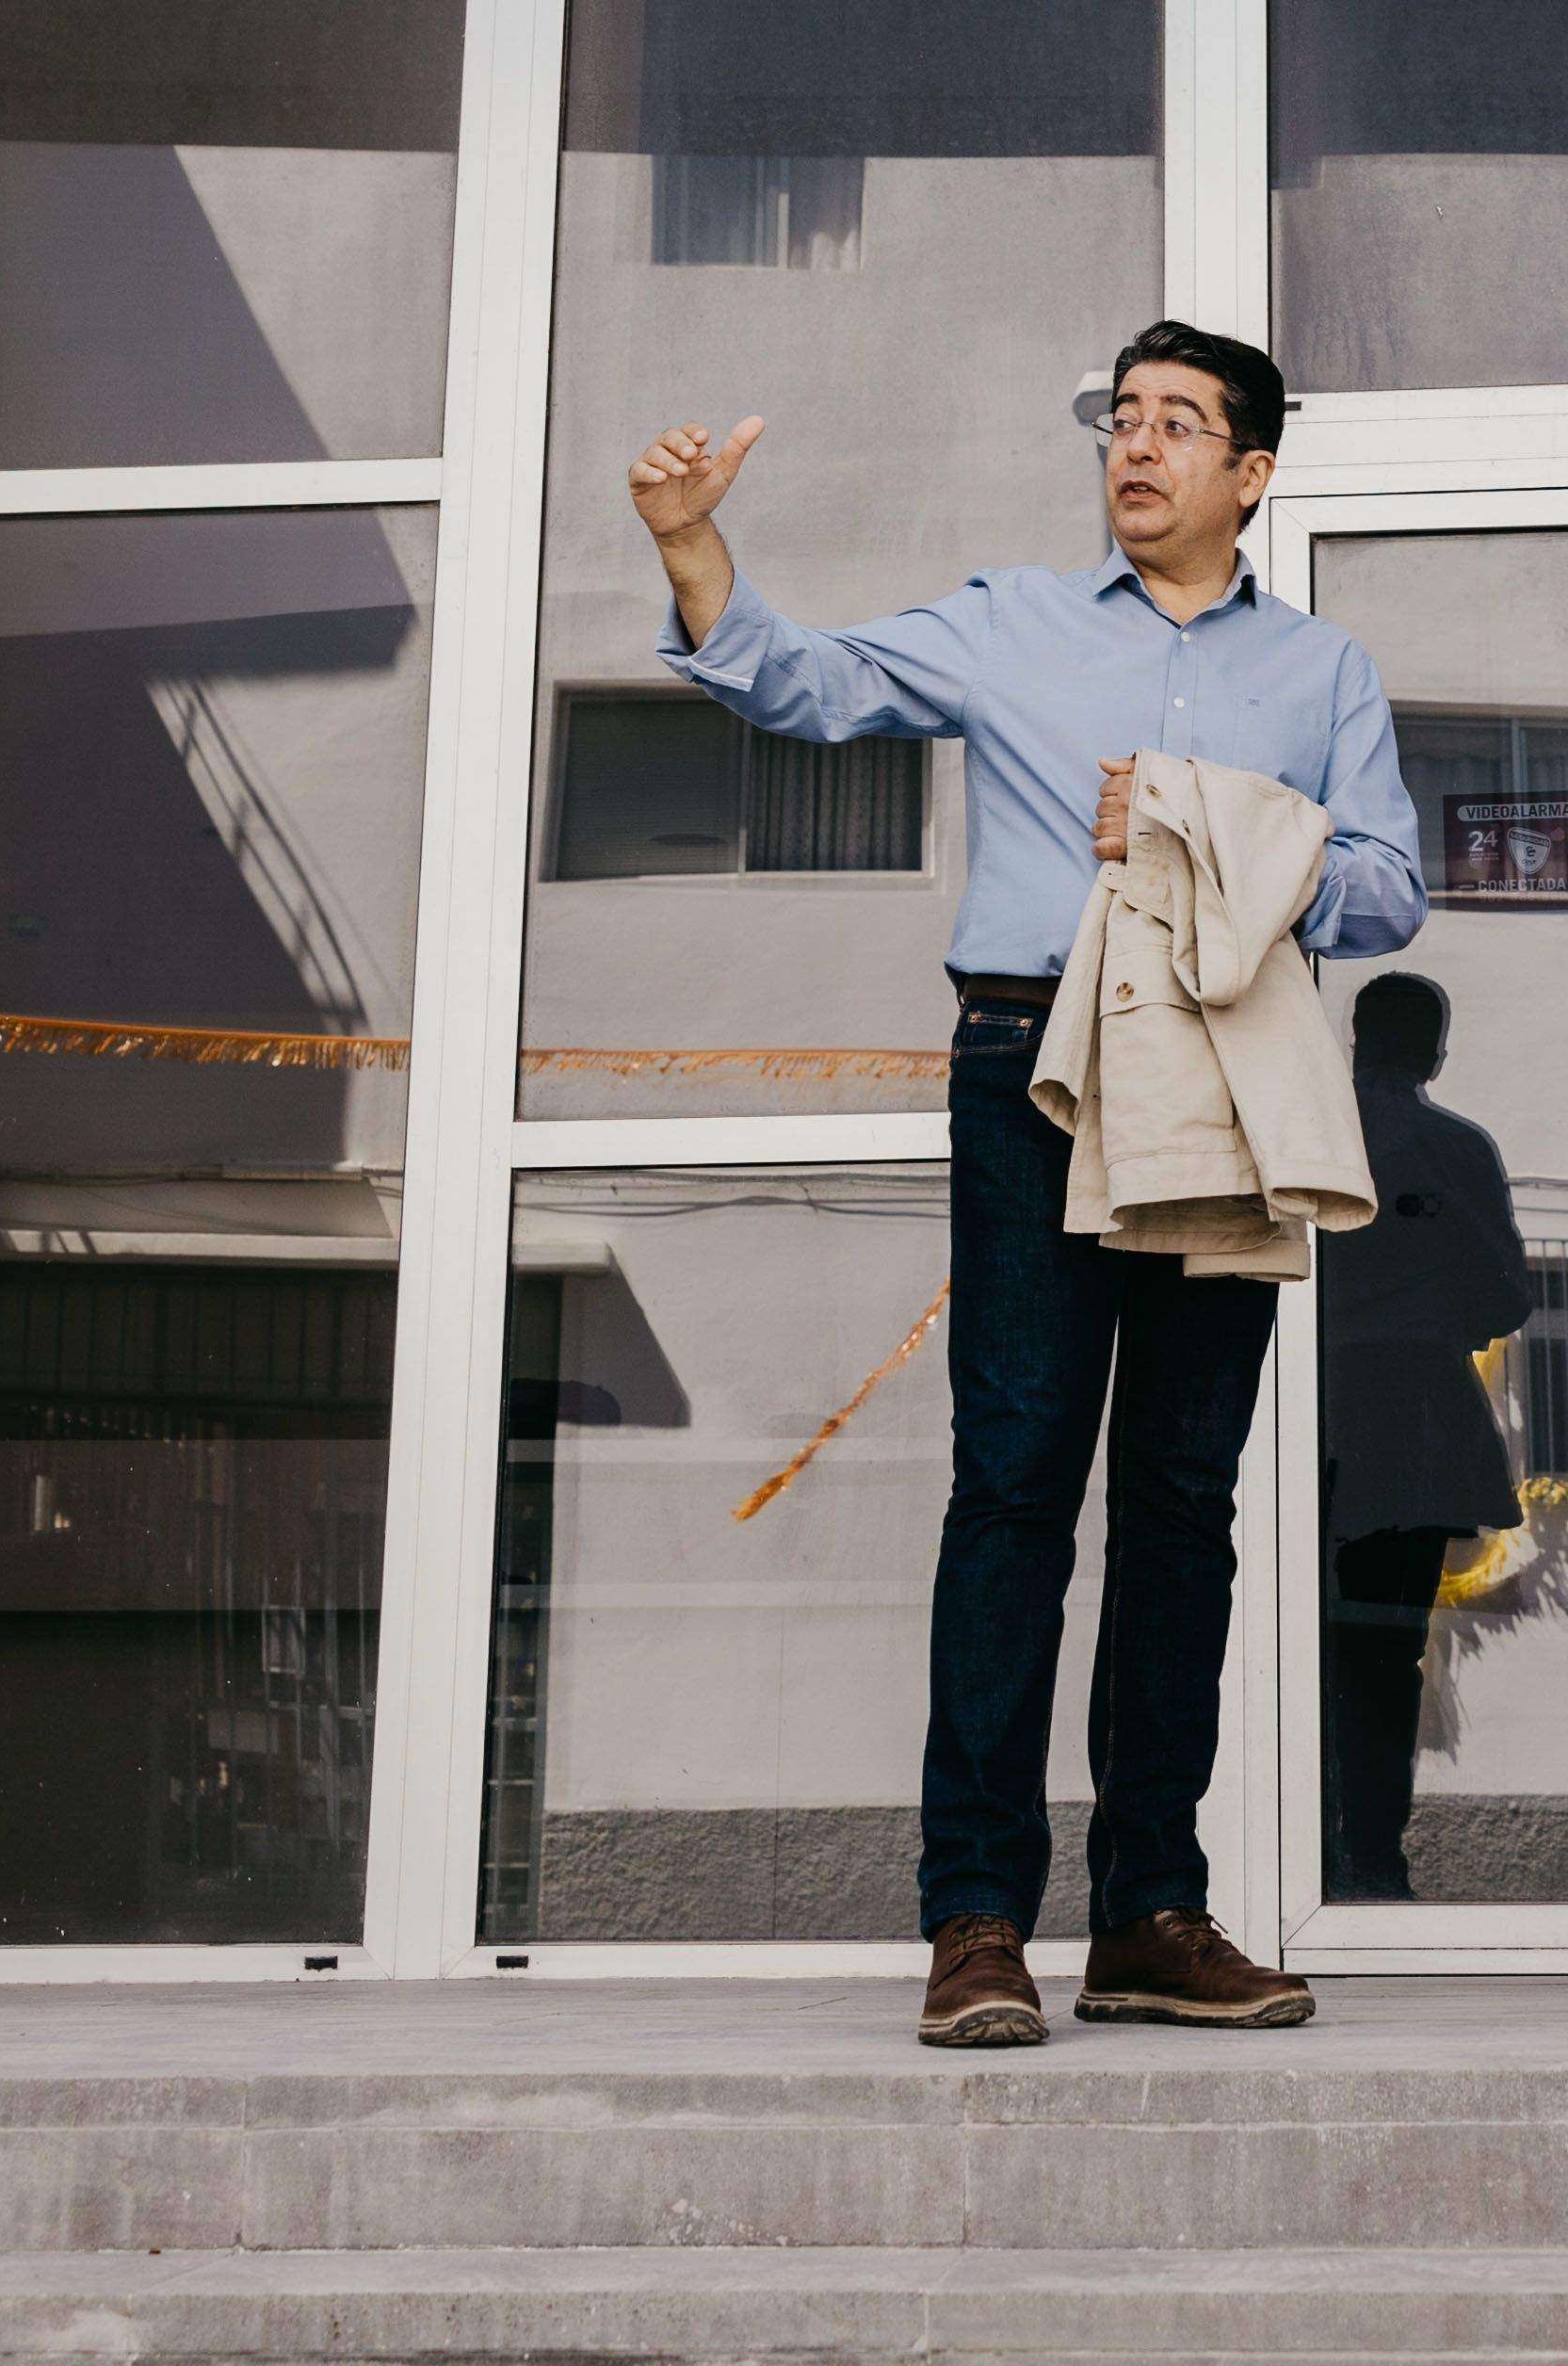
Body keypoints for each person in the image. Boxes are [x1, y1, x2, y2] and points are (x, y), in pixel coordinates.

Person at [631, 320, 1425, 2049]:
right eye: (1120, 421)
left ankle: (1149, 1910)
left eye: (1178, 425)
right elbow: (807, 686)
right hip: (1032, 1067)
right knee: (1010, 1491)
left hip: (1222, 1071)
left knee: (1182, 1506)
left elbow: (1383, 888)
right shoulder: (1004, 623)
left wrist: (1202, 820)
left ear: (1252, 473)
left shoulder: (1322, 672)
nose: (1136, 448)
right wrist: (695, 546)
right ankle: (975, 1918)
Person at [1319, 974, 1528, 1904]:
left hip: (1306, 1409)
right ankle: (1368, 1855)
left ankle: (1309, 1848)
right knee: (1384, 1647)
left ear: (1356, 1037)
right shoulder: (1452, 1148)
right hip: (1409, 1417)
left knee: (1295, 1641)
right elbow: (1506, 1295)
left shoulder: (1308, 1129)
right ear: (1435, 1051)